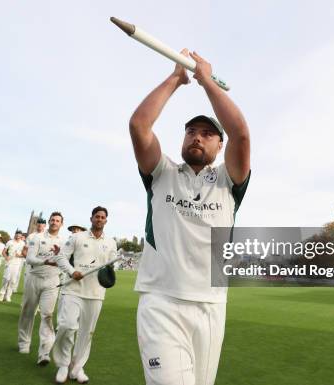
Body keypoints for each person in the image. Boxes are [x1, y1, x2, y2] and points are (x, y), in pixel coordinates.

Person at [128, 49, 251, 385]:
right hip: (161, 302)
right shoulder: (162, 171)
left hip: (211, 306)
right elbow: (140, 125)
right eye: (191, 131)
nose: (197, 136)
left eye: (207, 133)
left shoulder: (228, 179)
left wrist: (207, 82)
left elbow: (240, 132)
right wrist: (177, 78)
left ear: (219, 145)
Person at [52, 206, 117, 384]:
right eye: (97, 216)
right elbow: (61, 258)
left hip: (96, 293)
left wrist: (110, 271)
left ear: (106, 221)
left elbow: (112, 266)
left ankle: (77, 367)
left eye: (103, 217)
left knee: (87, 333)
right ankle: (63, 365)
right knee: (66, 326)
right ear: (91, 218)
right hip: (73, 289)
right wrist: (72, 272)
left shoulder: (111, 242)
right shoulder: (77, 237)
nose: (99, 219)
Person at [18, 212, 68, 366]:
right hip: (34, 278)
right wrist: (47, 261)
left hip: (52, 281)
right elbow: (30, 258)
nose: (54, 222)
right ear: (49, 222)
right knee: (28, 311)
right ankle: (24, 342)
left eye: (57, 220)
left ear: (61, 224)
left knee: (47, 315)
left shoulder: (65, 241)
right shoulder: (37, 238)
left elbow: (66, 260)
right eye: (52, 220)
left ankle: (44, 352)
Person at [0, 230, 26, 303]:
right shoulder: (10, 242)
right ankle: (2, 294)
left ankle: (8, 296)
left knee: (13, 281)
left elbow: (25, 254)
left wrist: (19, 255)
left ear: (21, 236)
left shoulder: (23, 243)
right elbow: (4, 252)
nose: (18, 236)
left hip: (17, 263)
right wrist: (6, 257)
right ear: (15, 235)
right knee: (6, 279)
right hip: (9, 262)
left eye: (19, 235)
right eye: (17, 234)